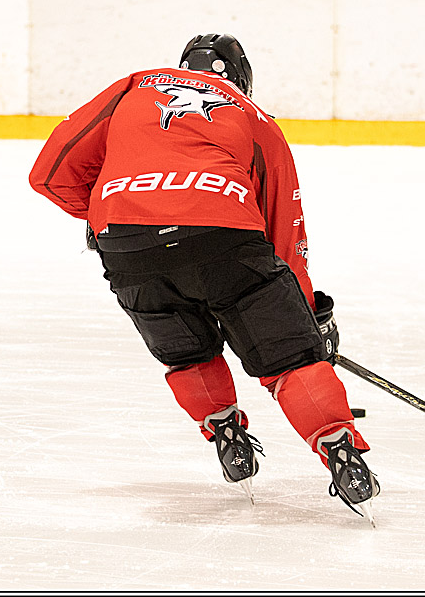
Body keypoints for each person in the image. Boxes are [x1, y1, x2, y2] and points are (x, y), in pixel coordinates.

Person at [28, 33, 379, 521]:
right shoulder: (257, 121)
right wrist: (305, 319)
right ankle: (340, 449)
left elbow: (49, 174)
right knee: (289, 361)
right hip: (224, 238)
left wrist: (111, 211)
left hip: (128, 246)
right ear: (242, 80)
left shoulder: (133, 85)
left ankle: (225, 429)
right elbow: (285, 236)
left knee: (187, 350)